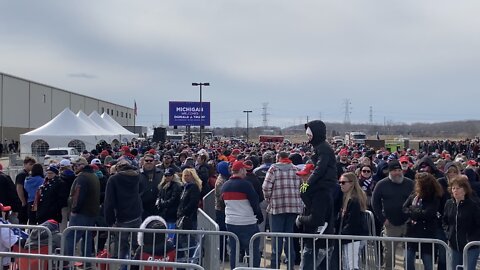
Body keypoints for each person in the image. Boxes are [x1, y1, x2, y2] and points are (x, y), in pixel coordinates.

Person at [262, 151, 303, 270]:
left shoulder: (273, 169)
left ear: (278, 158)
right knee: (289, 237)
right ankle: (290, 265)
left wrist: (269, 199)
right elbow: (303, 186)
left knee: (276, 238)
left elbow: (265, 187)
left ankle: (275, 266)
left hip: (277, 207)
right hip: (293, 207)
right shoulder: (296, 169)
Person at [371, 160, 414, 270]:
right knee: (389, 254)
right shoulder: (381, 184)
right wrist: (383, 219)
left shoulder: (410, 183)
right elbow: (374, 202)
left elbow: (416, 200)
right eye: (395, 170)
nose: (398, 173)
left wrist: (412, 216)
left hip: (408, 223)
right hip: (390, 224)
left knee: (409, 253)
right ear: (389, 172)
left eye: (399, 170)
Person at [221, 161, 263, 269]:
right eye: (244, 169)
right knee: (253, 249)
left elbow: (222, 204)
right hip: (247, 222)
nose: (246, 172)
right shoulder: (246, 185)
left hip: (230, 222)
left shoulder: (225, 185)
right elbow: (255, 202)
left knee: (234, 250)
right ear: (240, 170)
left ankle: (234, 268)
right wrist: (259, 216)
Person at [104, 159, 143, 265]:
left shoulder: (113, 179)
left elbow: (109, 202)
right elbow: (141, 190)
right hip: (136, 214)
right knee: (137, 245)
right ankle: (136, 266)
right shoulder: (137, 176)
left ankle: (123, 267)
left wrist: (110, 221)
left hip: (122, 217)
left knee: (123, 246)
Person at [403, 173, 443, 270]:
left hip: (427, 233)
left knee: (427, 262)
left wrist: (412, 209)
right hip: (411, 232)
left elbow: (428, 213)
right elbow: (404, 208)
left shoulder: (434, 197)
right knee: (408, 260)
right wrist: (416, 211)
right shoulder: (414, 194)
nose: (416, 184)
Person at [64, 157, 100, 264]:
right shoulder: (93, 176)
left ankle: (67, 263)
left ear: (82, 166)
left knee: (70, 238)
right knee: (87, 239)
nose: (74, 167)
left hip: (81, 213)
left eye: (76, 165)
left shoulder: (82, 178)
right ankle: (87, 263)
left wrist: (74, 210)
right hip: (91, 213)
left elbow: (77, 196)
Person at [443, 175, 480, 270]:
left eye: (458, 188)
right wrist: (448, 234)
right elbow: (445, 221)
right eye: (453, 188)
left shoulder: (473, 205)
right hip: (454, 246)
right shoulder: (448, 204)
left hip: (470, 247)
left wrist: (471, 238)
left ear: (464, 190)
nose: (455, 190)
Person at [337, 172, 369, 270]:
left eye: (343, 182)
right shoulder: (347, 198)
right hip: (350, 236)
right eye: (340, 182)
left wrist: (342, 234)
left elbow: (353, 221)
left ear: (351, 183)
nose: (340, 185)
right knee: (348, 264)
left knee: (352, 265)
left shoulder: (354, 200)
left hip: (353, 236)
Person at [157, 168, 182, 240]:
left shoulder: (176, 186)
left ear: (173, 176)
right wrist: (158, 202)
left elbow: (173, 199)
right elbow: (159, 195)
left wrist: (162, 203)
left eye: (169, 175)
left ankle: (171, 247)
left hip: (172, 213)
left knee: (171, 234)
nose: (167, 177)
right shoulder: (162, 185)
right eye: (166, 175)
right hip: (164, 213)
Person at [139, 154, 163, 220]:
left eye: (151, 160)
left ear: (154, 162)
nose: (148, 162)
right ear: (143, 162)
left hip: (157, 207)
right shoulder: (138, 174)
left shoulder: (161, 173)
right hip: (142, 207)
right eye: (146, 161)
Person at [15, 156, 36, 224]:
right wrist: (23, 201)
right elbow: (19, 188)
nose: (32, 166)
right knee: (22, 221)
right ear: (25, 164)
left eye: (33, 164)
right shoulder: (22, 174)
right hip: (22, 202)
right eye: (30, 164)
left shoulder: (29, 174)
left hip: (28, 200)